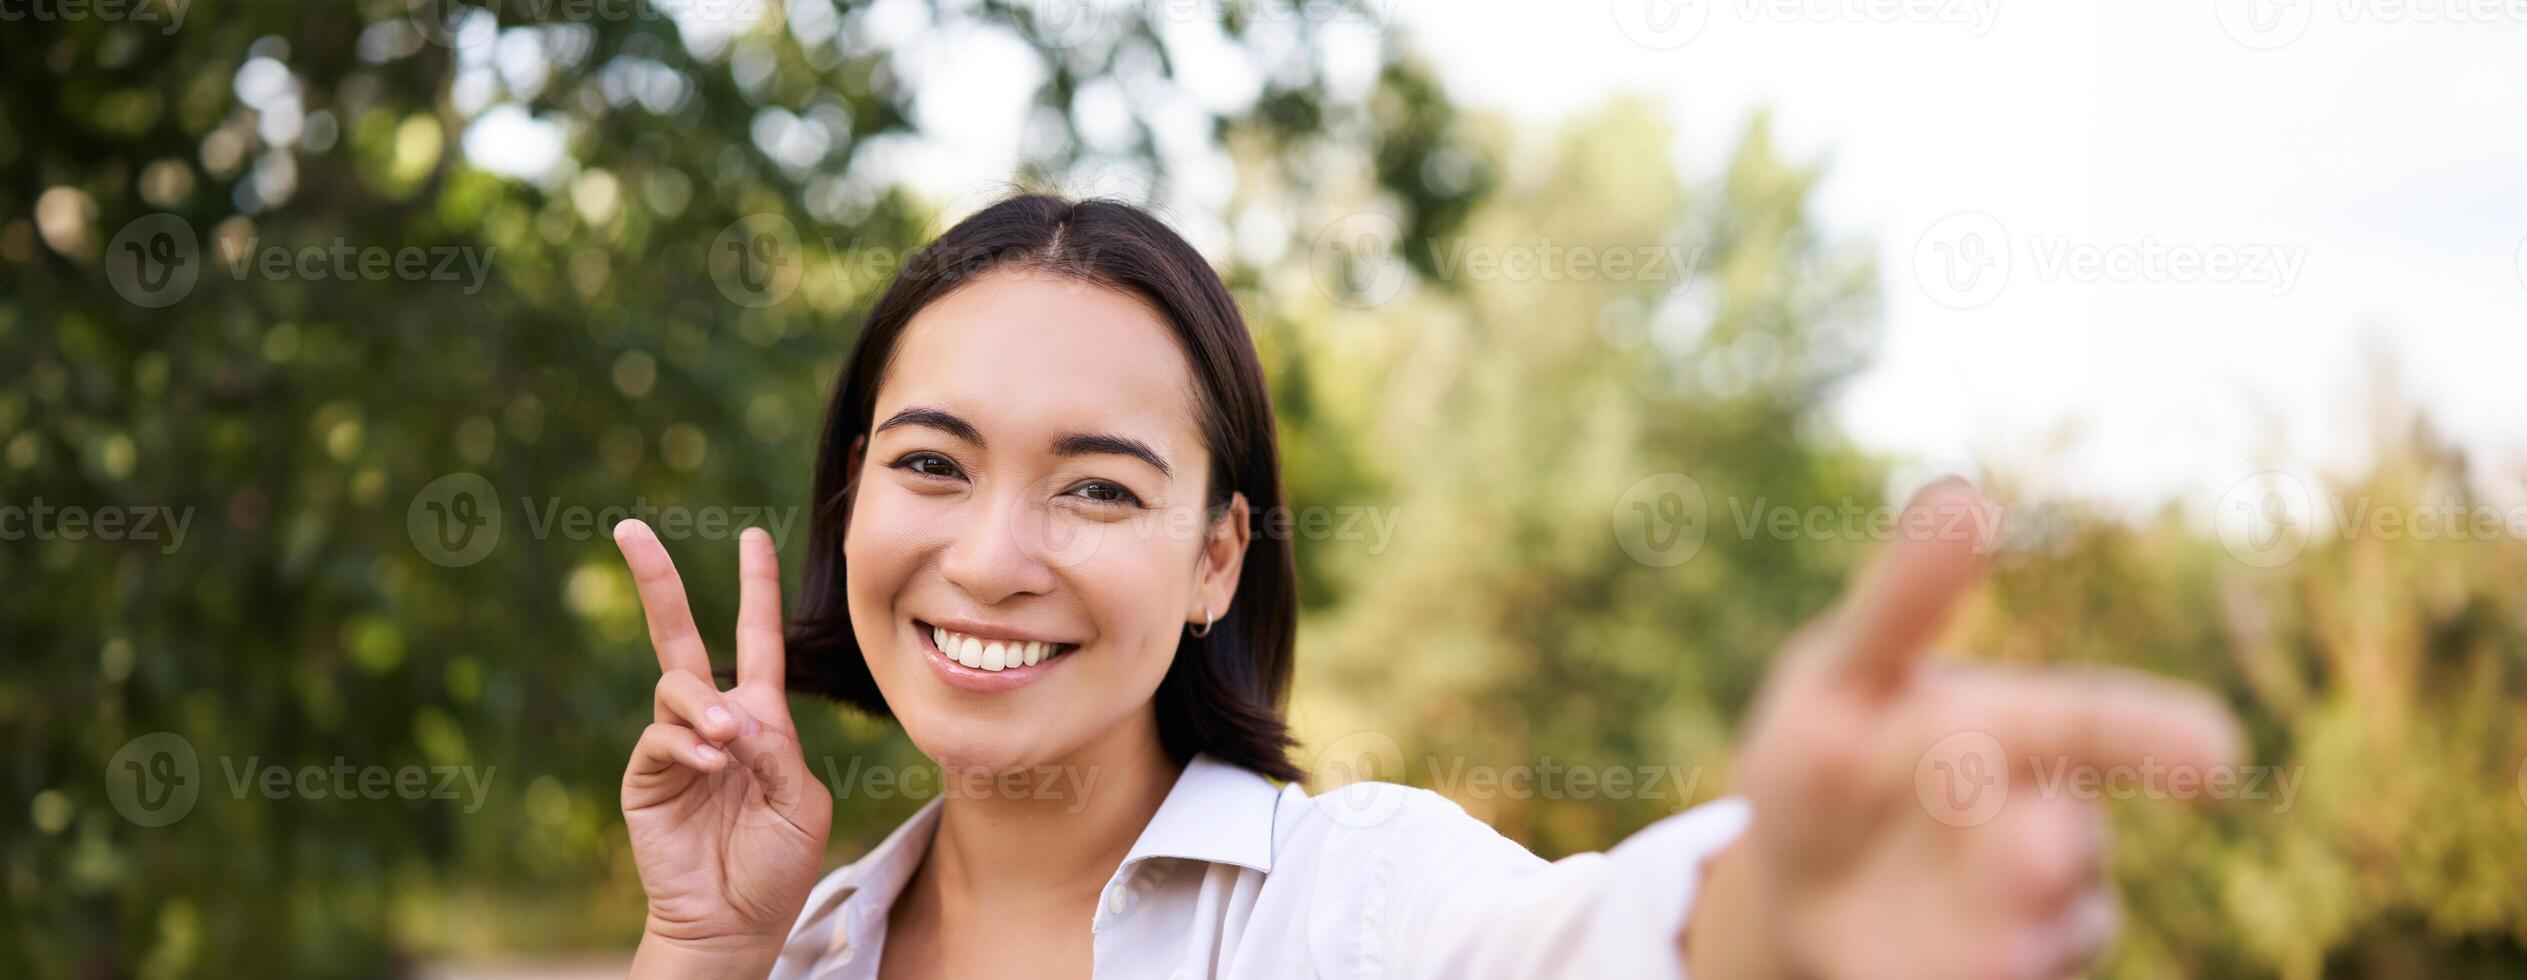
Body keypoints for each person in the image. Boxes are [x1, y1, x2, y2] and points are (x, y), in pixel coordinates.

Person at [608, 195, 2241, 979]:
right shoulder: (796, 954)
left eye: (1098, 484)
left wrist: (1775, 922)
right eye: (933, 462)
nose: (991, 555)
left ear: (1215, 559)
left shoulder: (1355, 904)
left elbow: (1579, 950)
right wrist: (700, 942)